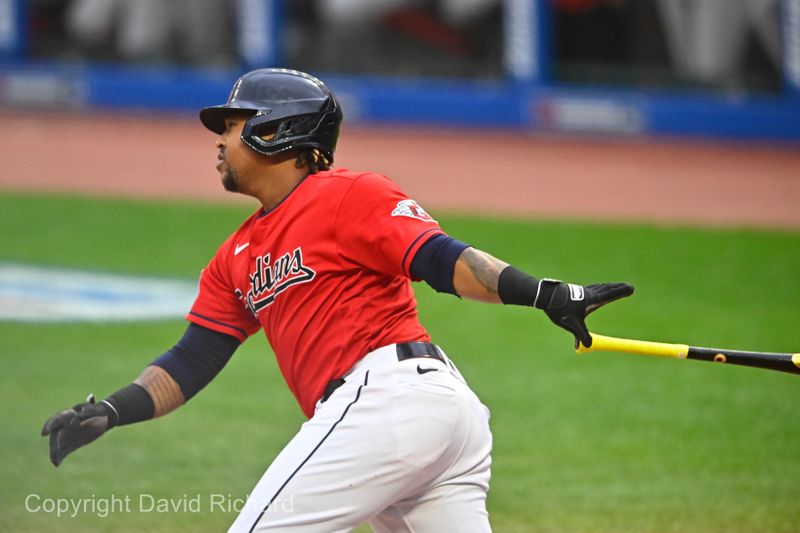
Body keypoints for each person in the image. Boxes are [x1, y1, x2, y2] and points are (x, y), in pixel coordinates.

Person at [41, 68, 634, 532]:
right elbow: (193, 359)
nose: (218, 139)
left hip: (390, 402)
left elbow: (441, 259)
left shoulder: (348, 194)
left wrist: (544, 293)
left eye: (231, 123)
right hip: (419, 419)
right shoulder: (234, 258)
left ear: (276, 130)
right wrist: (114, 410)